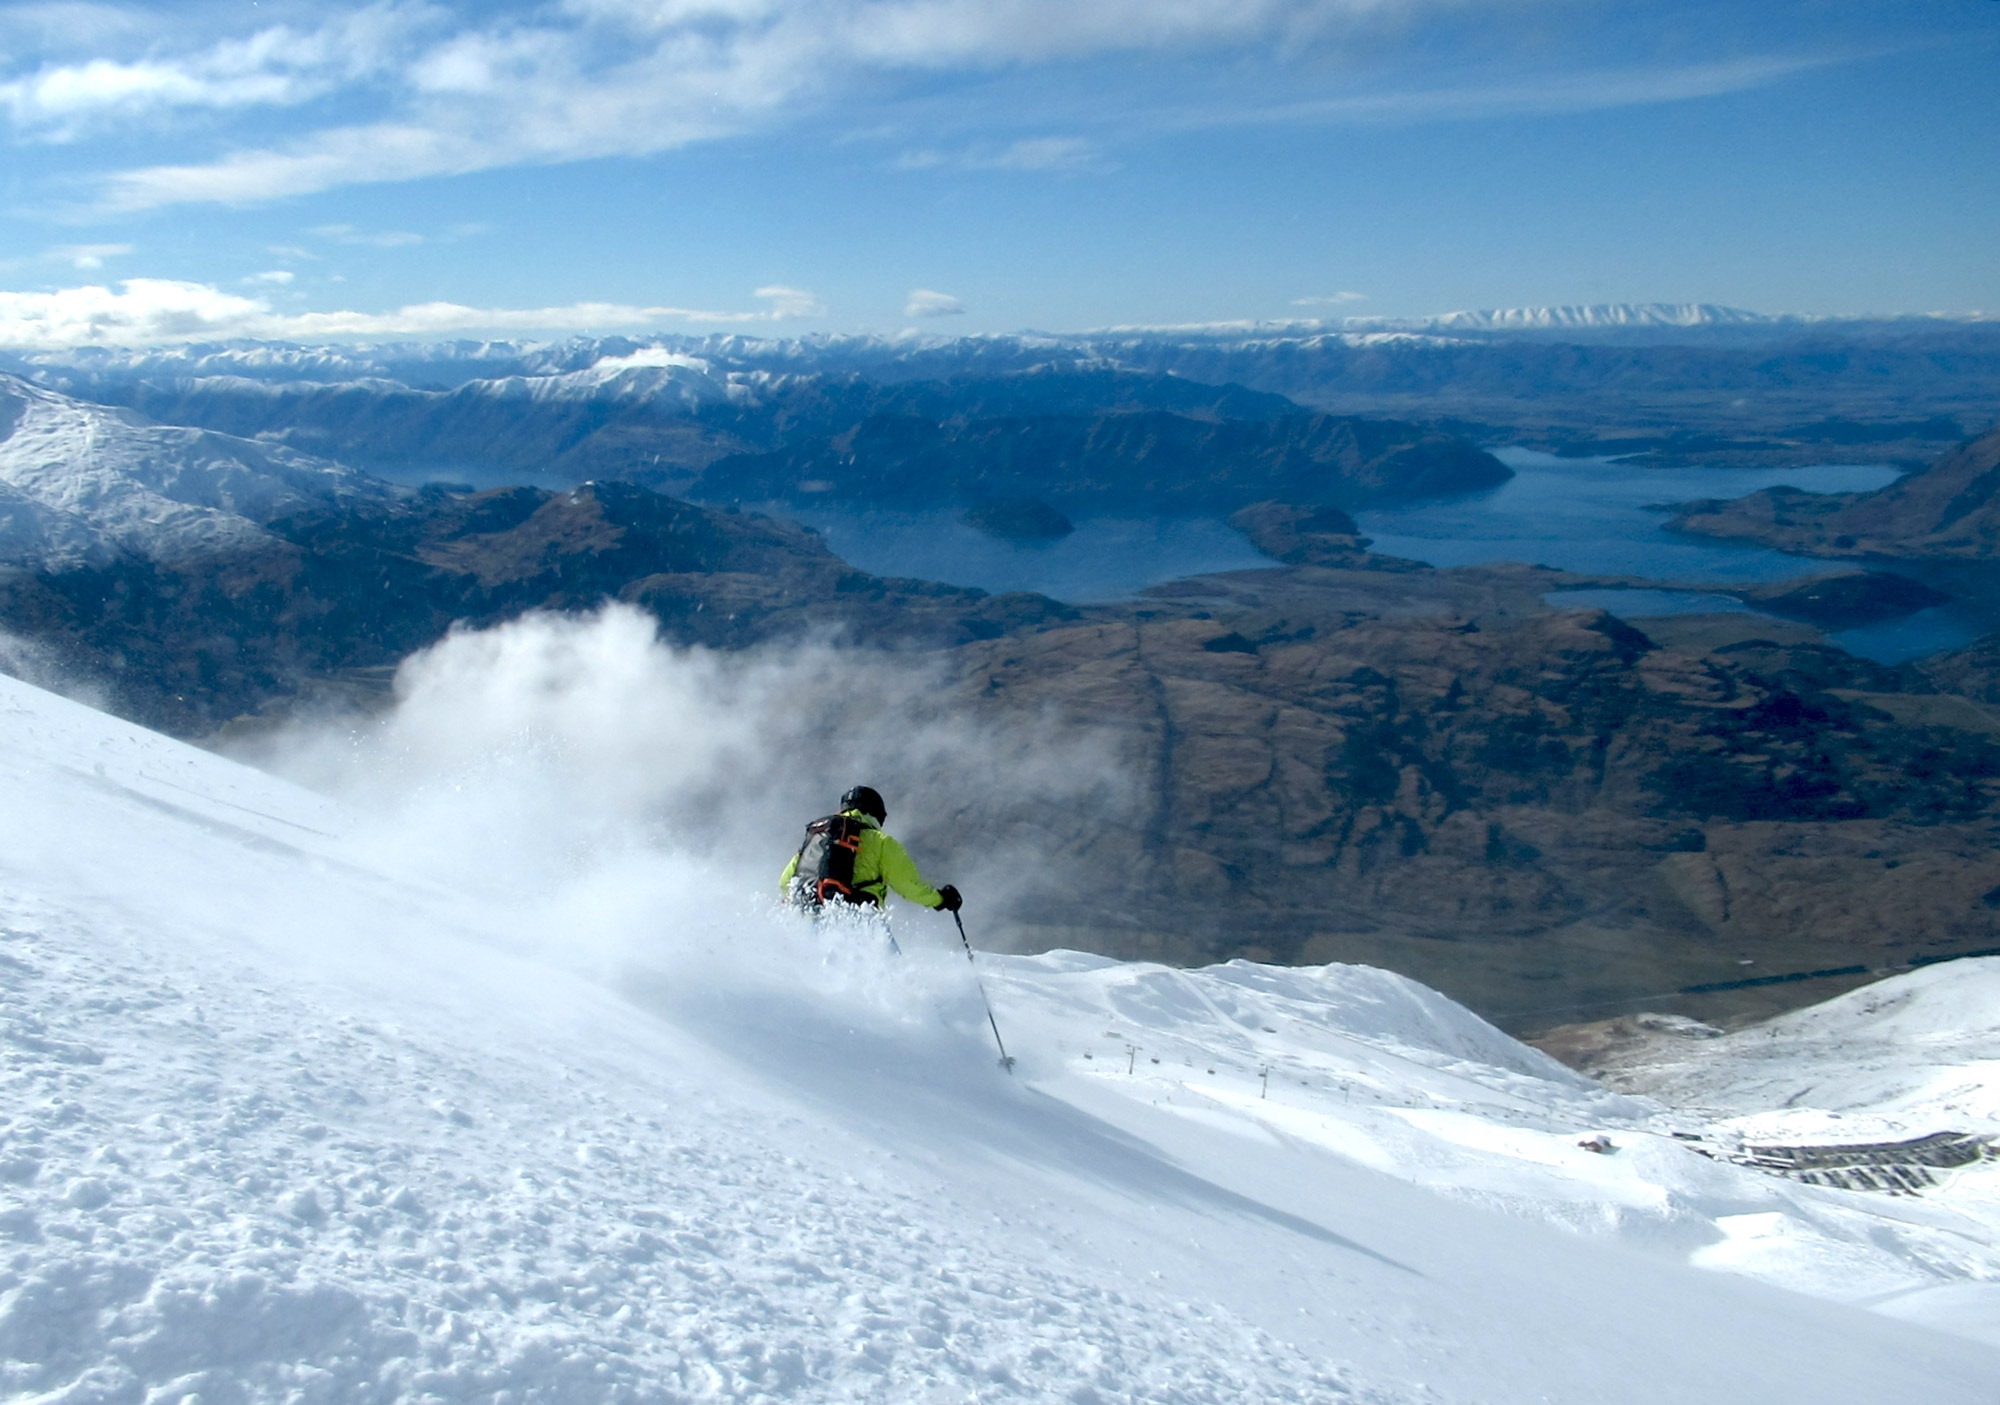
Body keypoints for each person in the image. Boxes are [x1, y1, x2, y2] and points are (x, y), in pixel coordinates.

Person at [781, 785, 962, 917]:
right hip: (857, 919)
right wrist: (941, 899)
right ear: (877, 814)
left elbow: (785, 881)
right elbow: (908, 886)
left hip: (807, 917)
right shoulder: (882, 842)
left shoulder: (819, 836)